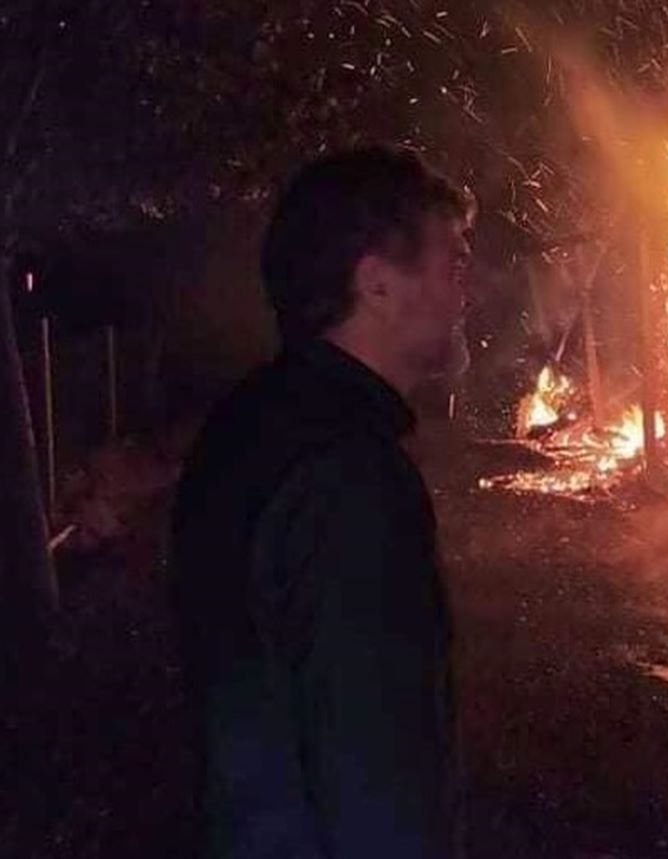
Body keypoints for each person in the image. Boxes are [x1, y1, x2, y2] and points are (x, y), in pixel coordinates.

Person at [170, 147, 473, 858]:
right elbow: (375, 772)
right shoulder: (349, 477)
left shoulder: (255, 420)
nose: (469, 291)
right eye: (455, 263)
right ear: (377, 285)